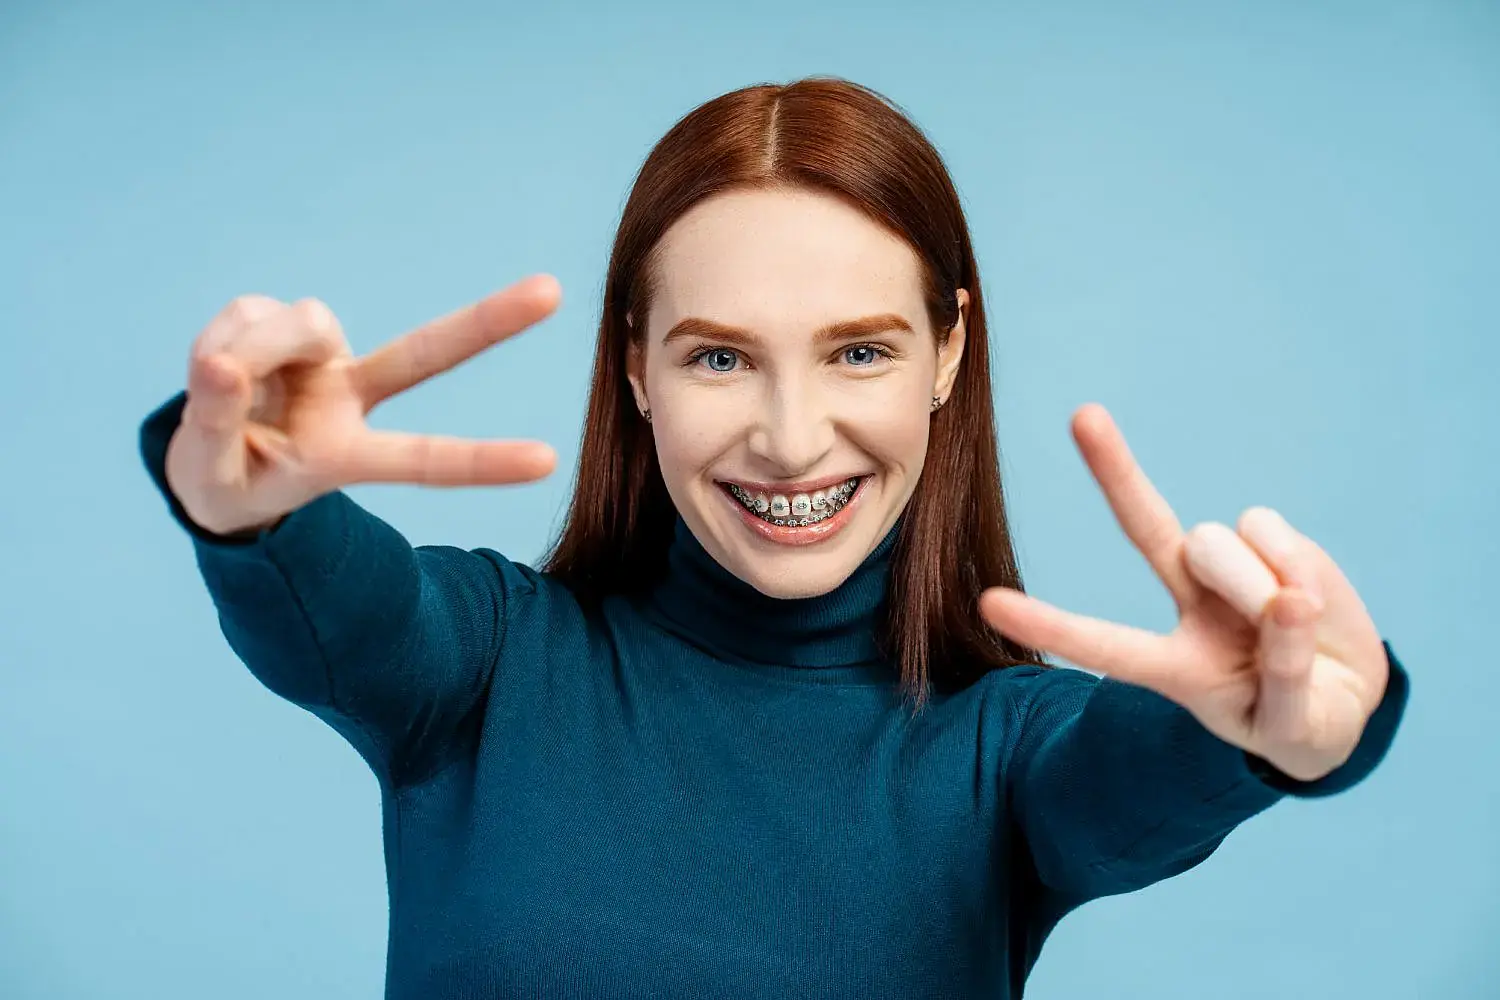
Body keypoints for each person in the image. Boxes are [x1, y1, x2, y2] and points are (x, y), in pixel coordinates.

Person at [138, 77, 1408, 999]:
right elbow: (332, 591)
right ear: (635, 365)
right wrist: (245, 484)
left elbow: (1146, 764)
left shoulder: (1008, 752)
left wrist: (1288, 726)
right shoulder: (485, 667)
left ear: (949, 352)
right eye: (721, 357)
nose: (793, 439)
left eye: (860, 350)